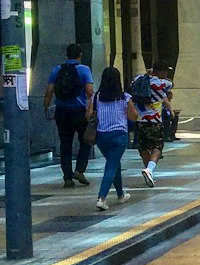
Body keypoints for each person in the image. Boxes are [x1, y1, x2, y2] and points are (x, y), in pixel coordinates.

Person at [43, 43, 95, 187]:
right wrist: (92, 108)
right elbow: (90, 91)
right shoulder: (84, 69)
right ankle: (79, 170)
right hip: (79, 112)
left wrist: (46, 107)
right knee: (86, 140)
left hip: (62, 111)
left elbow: (49, 91)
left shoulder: (57, 69)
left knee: (65, 144)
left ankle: (67, 177)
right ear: (80, 55)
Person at [89, 67, 137, 210]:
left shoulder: (96, 97)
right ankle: (102, 198)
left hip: (101, 137)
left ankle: (121, 194)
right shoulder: (125, 98)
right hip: (119, 136)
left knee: (114, 163)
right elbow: (133, 116)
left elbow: (88, 115)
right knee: (111, 165)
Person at [132, 63, 171, 186]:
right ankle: (149, 169)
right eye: (165, 71)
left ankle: (149, 173)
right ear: (161, 72)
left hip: (139, 121)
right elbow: (170, 85)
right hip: (154, 121)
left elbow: (134, 82)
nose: (166, 74)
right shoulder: (163, 83)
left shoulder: (138, 80)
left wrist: (147, 73)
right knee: (158, 146)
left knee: (143, 147)